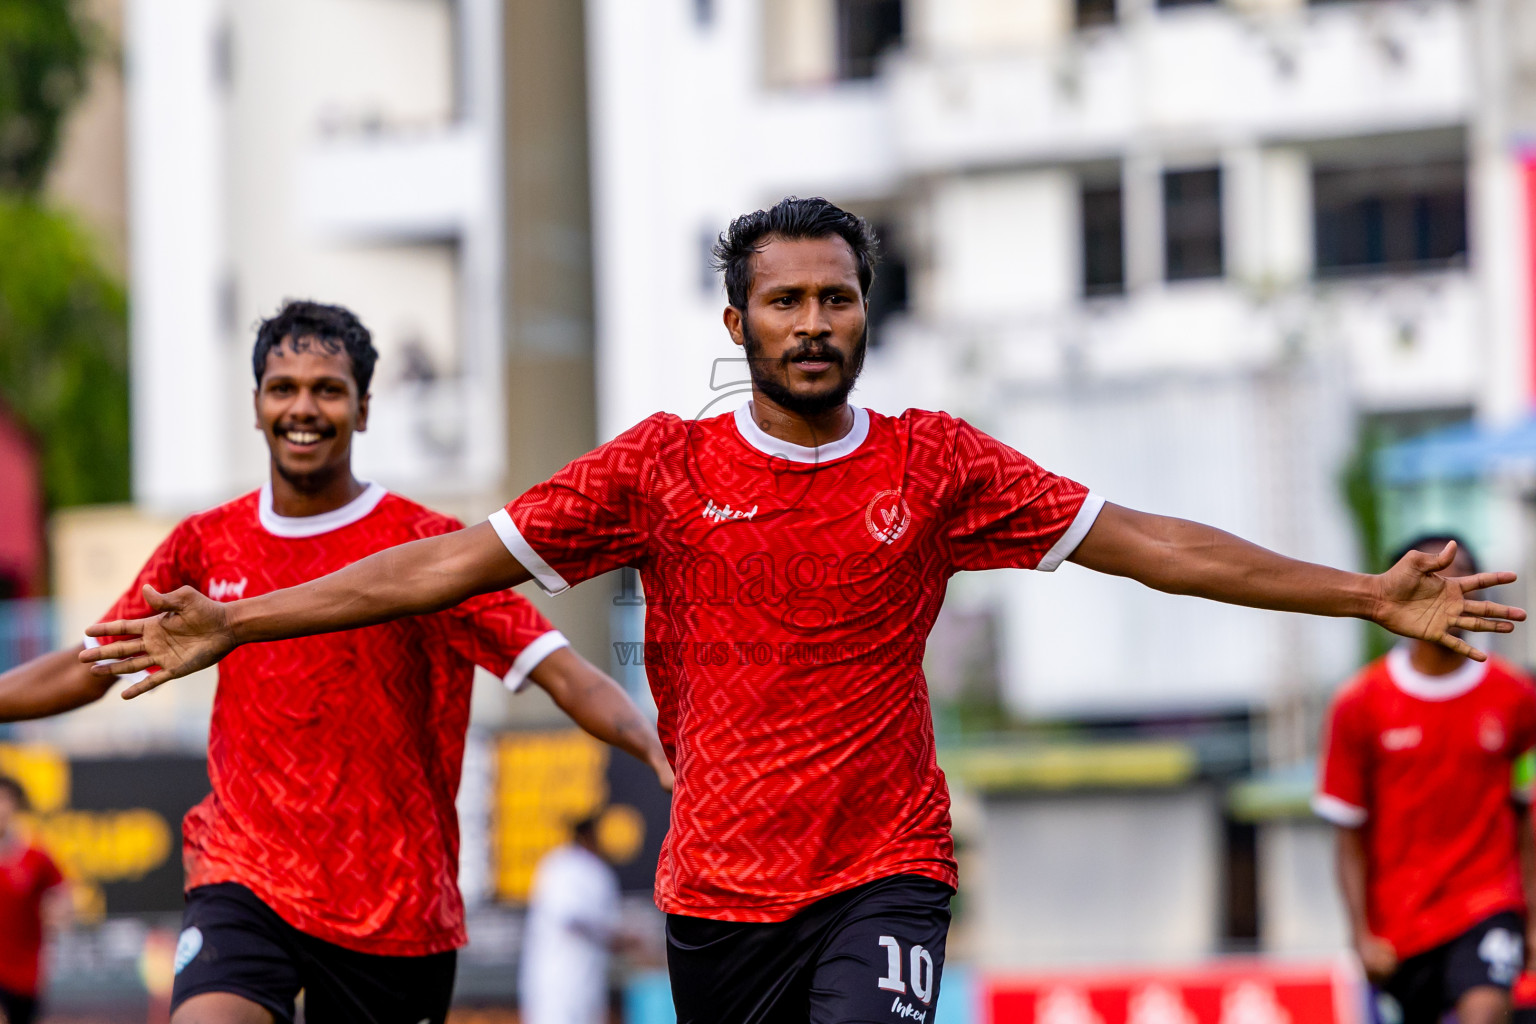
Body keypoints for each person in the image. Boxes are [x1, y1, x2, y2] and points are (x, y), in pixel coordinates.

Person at [80, 199, 1526, 1024]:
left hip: (882, 868)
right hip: (717, 894)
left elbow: (1146, 544)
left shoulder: (940, 465)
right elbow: (437, 567)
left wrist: (1359, 592)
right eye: (788, 303)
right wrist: (246, 621)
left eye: (838, 299)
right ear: (740, 326)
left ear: (865, 315)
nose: (815, 323)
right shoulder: (658, 469)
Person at [0, 300, 670, 1024]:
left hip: (394, 907)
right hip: (244, 876)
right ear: (256, 406)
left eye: (328, 388)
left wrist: (656, 748)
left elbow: (562, 671)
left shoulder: (431, 547)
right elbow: (90, 664)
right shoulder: (205, 544)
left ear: (364, 408)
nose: (303, 407)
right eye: (282, 387)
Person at [1315, 534, 1536, 1024]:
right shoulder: (1360, 703)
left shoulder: (1517, 698)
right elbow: (1347, 831)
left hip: (1488, 901)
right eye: (1435, 585)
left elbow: (1526, 810)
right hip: (1402, 923)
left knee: (1485, 1010)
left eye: (1464, 583)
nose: (1451, 597)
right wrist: (1359, 935)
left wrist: (1533, 917)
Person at [520, 813, 623, 1024]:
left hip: (589, 978)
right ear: (586, 835)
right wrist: (614, 933)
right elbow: (568, 915)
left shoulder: (599, 870)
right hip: (557, 978)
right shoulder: (562, 865)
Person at [0, 774, 68, 1024]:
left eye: (4, 800)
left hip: (26, 973)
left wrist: (58, 914)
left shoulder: (35, 857)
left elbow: (61, 894)